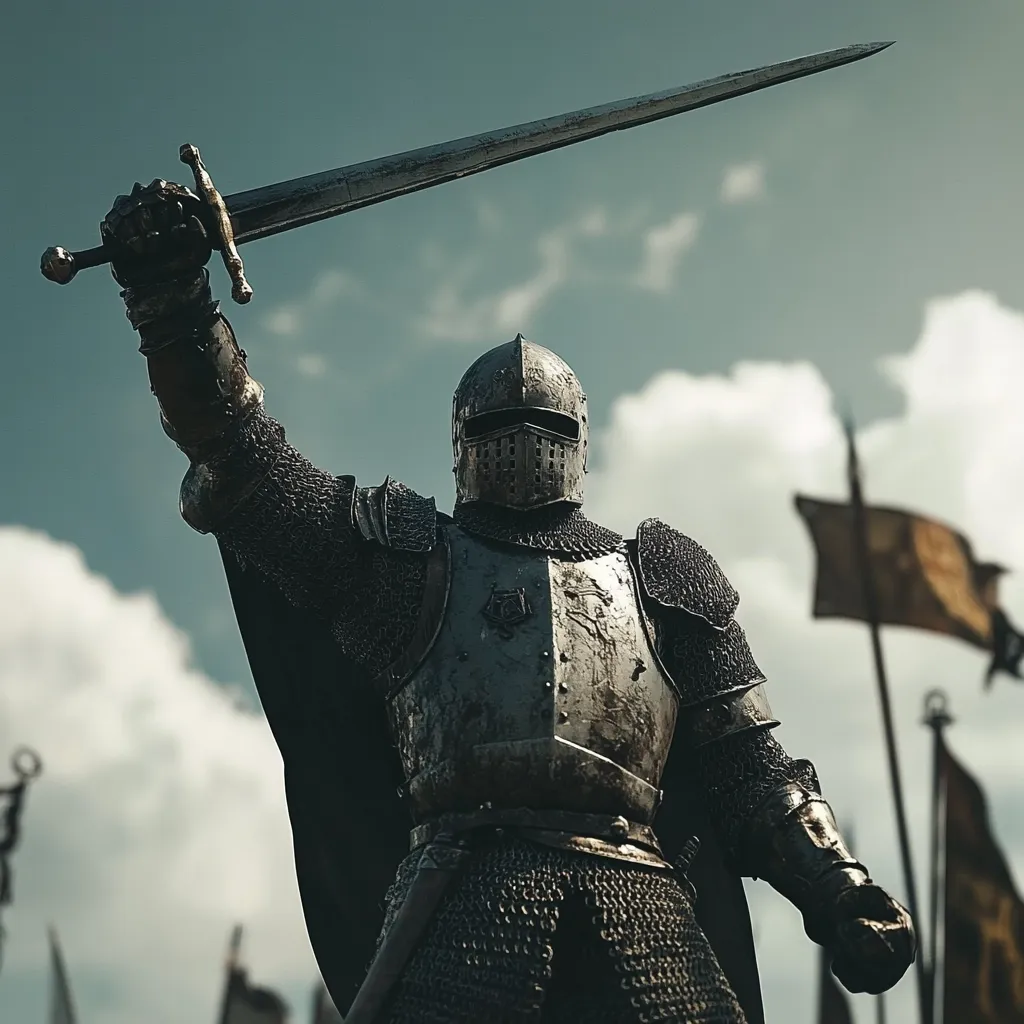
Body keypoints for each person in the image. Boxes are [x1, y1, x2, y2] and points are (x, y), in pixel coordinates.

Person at [100, 179, 915, 1023]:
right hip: (459, 901)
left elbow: (756, 776)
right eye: (505, 425)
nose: (526, 443)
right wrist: (173, 305)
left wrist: (841, 890)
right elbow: (246, 463)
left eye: (544, 426)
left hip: (647, 910)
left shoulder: (664, 576)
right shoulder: (407, 559)